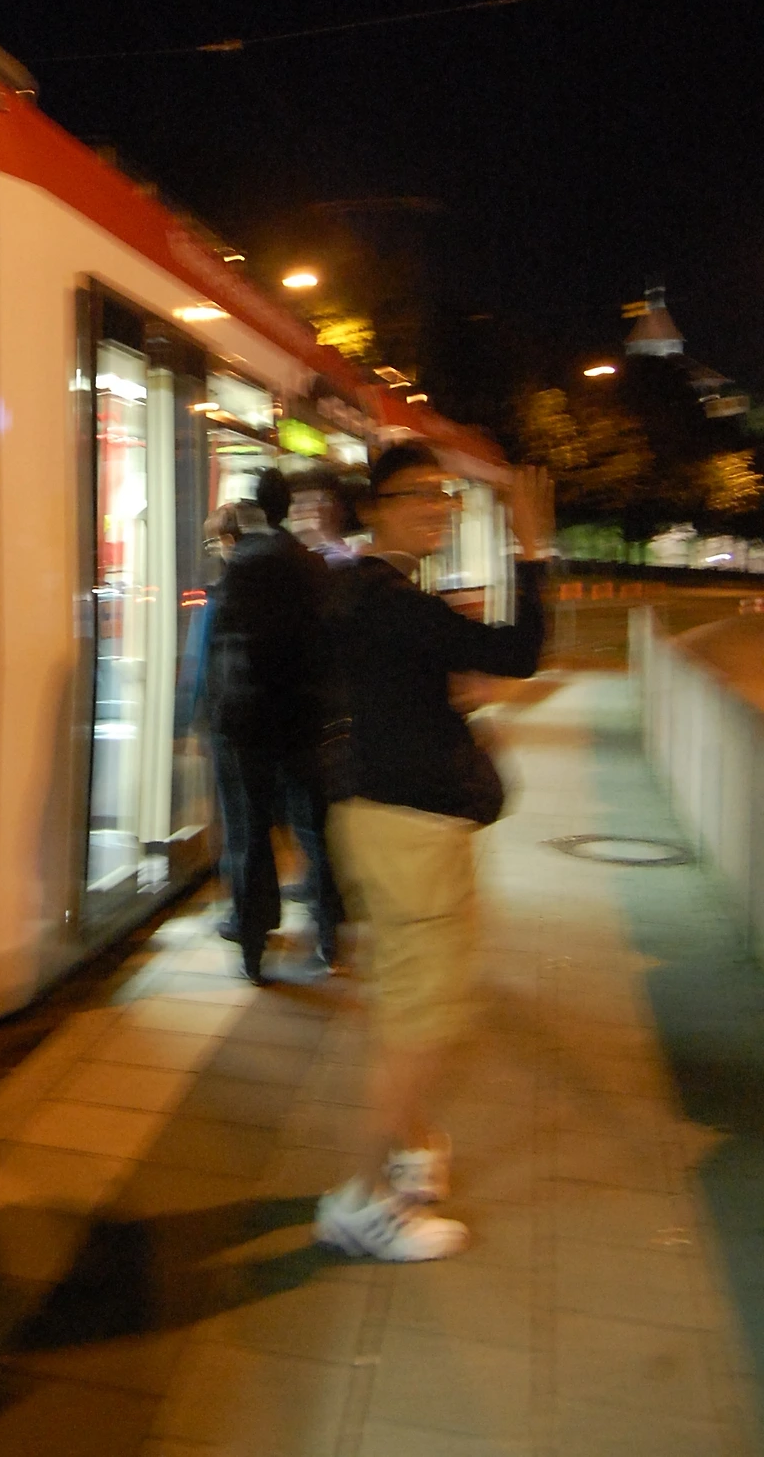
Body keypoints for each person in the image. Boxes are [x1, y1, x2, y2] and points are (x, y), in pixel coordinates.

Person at [313, 441, 552, 1261]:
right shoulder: (387, 598)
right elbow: (519, 652)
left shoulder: (365, 593)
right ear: (373, 507)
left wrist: (443, 698)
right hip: (410, 836)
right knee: (421, 1021)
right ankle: (360, 1201)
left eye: (441, 493)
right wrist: (533, 548)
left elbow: (398, 686)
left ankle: (411, 1150)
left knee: (403, 1010)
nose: (435, 507)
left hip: (379, 823)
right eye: (414, 494)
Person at [207, 469, 343, 981]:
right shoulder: (312, 564)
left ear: (259, 509)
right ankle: (329, 932)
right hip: (303, 718)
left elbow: (224, 642)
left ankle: (253, 940)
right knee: (313, 827)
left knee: (251, 831)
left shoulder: (243, 563)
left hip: (248, 721)